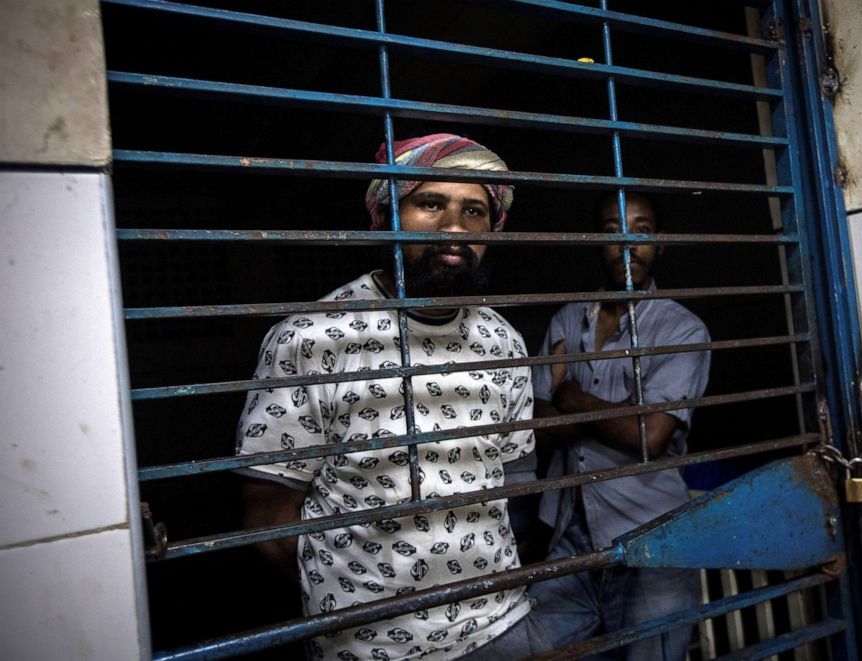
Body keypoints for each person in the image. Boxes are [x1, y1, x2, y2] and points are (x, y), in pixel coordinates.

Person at [236, 134, 546, 660]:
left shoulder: (503, 341)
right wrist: (363, 587)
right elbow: (270, 516)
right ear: (386, 214)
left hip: (502, 628)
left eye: (474, 211)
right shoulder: (313, 337)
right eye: (431, 204)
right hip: (370, 645)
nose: (455, 226)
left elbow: (517, 480)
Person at [528, 191, 711, 660]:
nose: (627, 243)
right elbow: (535, 426)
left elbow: (649, 436)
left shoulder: (681, 329)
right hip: (570, 533)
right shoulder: (568, 320)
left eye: (642, 231)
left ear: (660, 244)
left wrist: (573, 400)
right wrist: (617, 413)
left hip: (654, 537)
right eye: (612, 232)